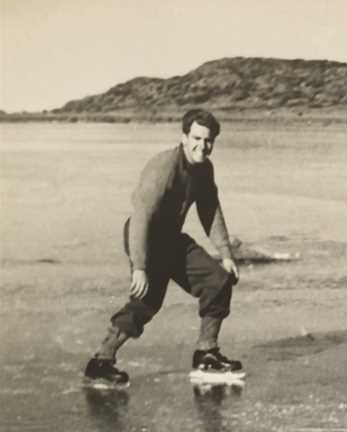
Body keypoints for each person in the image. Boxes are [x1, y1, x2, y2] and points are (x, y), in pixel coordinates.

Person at [84, 109, 242, 384]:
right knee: (146, 302)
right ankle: (101, 361)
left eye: (208, 140)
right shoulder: (164, 167)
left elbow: (210, 210)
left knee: (217, 281)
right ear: (183, 137)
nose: (201, 146)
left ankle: (207, 355)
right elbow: (141, 216)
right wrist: (140, 267)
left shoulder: (204, 169)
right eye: (196, 138)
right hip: (145, 237)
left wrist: (226, 254)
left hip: (171, 238)